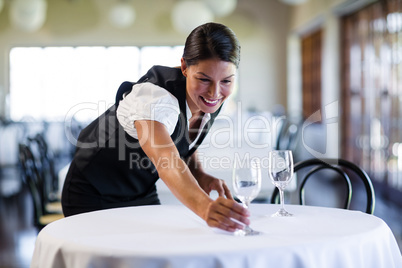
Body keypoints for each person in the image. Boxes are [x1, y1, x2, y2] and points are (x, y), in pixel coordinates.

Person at [61, 22, 250, 232]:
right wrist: (205, 208)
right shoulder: (155, 100)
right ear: (185, 67)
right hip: (93, 190)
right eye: (204, 79)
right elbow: (167, 161)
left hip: (141, 190)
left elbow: (181, 144)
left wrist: (200, 174)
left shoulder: (208, 99)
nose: (215, 93)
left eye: (226, 81)